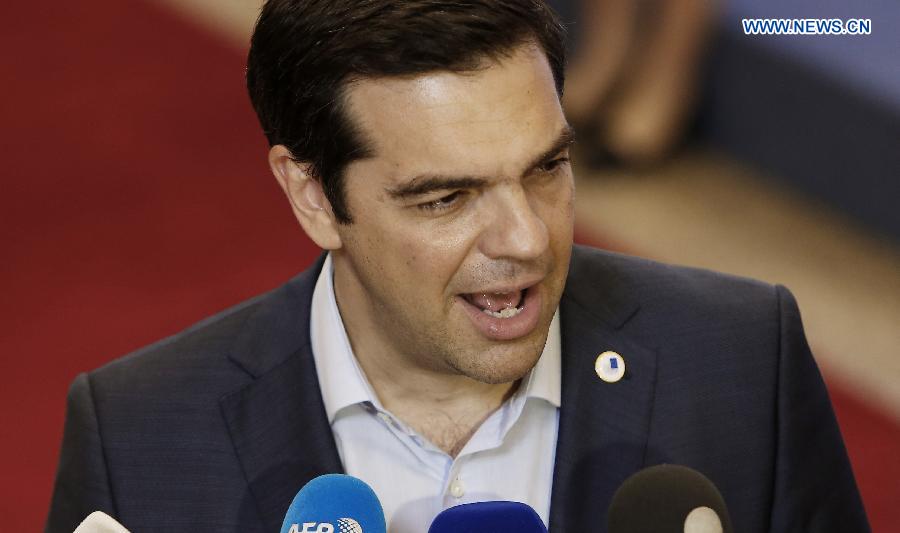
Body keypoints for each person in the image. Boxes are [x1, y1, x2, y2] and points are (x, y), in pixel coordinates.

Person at [46, 1, 868, 532]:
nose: (526, 240)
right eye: (446, 198)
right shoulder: (139, 437)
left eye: (547, 167)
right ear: (311, 195)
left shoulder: (742, 362)